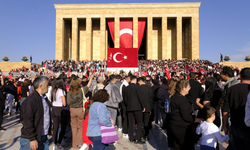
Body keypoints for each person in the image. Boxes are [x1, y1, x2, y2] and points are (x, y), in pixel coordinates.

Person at [169, 79, 202, 150]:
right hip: (182, 129)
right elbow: (187, 117)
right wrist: (197, 120)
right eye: (189, 87)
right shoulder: (182, 101)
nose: (190, 89)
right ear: (184, 88)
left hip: (174, 127)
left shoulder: (175, 97)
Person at [20, 76, 52, 150]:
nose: (49, 86)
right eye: (47, 85)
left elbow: (45, 115)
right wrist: (32, 139)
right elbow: (27, 120)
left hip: (43, 136)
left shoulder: (44, 98)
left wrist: (48, 128)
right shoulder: (30, 100)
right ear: (41, 86)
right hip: (31, 139)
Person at [223, 67, 250, 149]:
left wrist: (225, 126)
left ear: (240, 76)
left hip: (235, 126)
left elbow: (225, 110)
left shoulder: (231, 89)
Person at [67, 75, 93, 149]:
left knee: (73, 127)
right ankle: (79, 142)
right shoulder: (82, 90)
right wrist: (90, 78)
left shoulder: (69, 92)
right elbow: (88, 85)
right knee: (81, 126)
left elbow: (68, 102)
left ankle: (74, 144)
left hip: (72, 110)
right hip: (80, 110)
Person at [124, 76, 145, 144]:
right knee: (139, 122)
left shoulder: (126, 88)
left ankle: (131, 137)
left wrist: (128, 105)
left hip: (129, 107)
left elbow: (125, 99)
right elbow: (140, 97)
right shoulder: (137, 87)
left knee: (130, 122)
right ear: (135, 80)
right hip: (137, 107)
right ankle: (138, 138)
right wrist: (143, 106)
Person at [51, 78, 67, 150]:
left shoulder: (53, 90)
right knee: (63, 127)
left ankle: (54, 144)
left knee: (55, 127)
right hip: (60, 109)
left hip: (53, 109)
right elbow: (64, 103)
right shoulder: (62, 91)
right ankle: (59, 143)